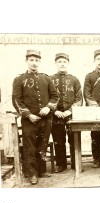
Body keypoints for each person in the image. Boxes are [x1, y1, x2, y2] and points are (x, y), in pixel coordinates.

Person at [12, 50, 59, 185]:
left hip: (45, 119)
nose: (34, 63)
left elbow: (55, 96)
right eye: (31, 60)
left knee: (42, 144)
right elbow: (17, 100)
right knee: (30, 147)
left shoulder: (46, 78)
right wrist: (28, 115)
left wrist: (48, 107)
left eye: (37, 60)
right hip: (29, 120)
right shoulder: (19, 79)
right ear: (26, 61)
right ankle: (32, 174)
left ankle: (41, 171)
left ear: (40, 62)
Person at [50, 53, 83, 173]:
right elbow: (47, 98)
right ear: (56, 64)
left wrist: (70, 111)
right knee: (58, 140)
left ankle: (75, 163)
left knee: (74, 139)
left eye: (64, 61)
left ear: (68, 63)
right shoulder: (50, 79)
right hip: (56, 115)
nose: (62, 64)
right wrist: (55, 111)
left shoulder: (74, 80)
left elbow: (79, 98)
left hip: (71, 115)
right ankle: (61, 164)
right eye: (59, 62)